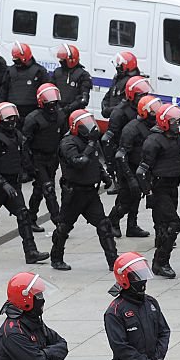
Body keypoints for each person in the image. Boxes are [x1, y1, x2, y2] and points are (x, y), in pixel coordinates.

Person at [0, 102, 50, 265]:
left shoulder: (17, 135)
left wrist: (35, 174)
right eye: (8, 118)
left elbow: (23, 157)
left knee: (23, 215)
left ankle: (31, 252)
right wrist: (3, 183)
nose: (12, 121)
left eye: (14, 117)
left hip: (13, 185)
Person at [136, 104, 180, 278]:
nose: (177, 124)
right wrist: (148, 192)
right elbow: (142, 171)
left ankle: (160, 263)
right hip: (159, 189)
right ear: (164, 122)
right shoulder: (153, 141)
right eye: (173, 121)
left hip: (173, 187)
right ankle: (160, 262)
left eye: (178, 120)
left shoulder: (178, 139)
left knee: (164, 227)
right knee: (174, 224)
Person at [51, 109, 117, 270]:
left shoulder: (90, 142)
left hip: (90, 192)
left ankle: (113, 261)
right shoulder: (68, 143)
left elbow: (94, 161)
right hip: (74, 193)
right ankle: (56, 258)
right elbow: (78, 162)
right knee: (64, 227)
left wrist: (104, 176)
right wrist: (91, 145)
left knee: (104, 225)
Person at [104, 252, 170, 360]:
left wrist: (157, 359)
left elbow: (164, 331)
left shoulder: (151, 303)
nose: (142, 280)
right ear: (125, 278)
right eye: (137, 276)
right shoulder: (115, 312)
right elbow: (120, 347)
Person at [0, 272, 68, 360]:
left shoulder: (33, 321)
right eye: (38, 296)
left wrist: (44, 353)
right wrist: (50, 355)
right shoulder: (13, 333)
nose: (42, 300)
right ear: (26, 299)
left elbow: (62, 344)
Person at [108, 95, 159, 239]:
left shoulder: (153, 127)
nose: (156, 114)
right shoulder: (131, 129)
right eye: (153, 111)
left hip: (142, 168)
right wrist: (130, 179)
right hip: (128, 169)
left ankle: (132, 226)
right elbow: (121, 155)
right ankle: (112, 221)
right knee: (125, 201)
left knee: (137, 198)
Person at [103, 76, 151, 220]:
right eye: (140, 95)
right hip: (123, 157)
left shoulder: (142, 109)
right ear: (131, 95)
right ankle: (113, 222)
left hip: (136, 156)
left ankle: (132, 225)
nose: (144, 97)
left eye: (145, 94)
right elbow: (107, 139)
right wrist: (111, 164)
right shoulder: (120, 112)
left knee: (137, 193)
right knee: (125, 195)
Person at [23, 84, 65, 233]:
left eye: (55, 102)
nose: (52, 106)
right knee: (48, 189)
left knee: (39, 189)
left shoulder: (60, 116)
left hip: (52, 158)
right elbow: (25, 143)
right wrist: (28, 165)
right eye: (49, 102)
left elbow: (63, 137)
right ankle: (58, 222)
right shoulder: (33, 119)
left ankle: (31, 218)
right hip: (38, 159)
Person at [0, 42, 48, 120]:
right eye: (14, 59)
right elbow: (3, 91)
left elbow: (46, 93)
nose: (15, 61)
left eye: (17, 59)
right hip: (12, 112)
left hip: (33, 112)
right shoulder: (10, 71)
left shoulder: (39, 71)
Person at [52, 43, 92, 120]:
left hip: (73, 114)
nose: (60, 61)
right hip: (57, 111)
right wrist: (56, 107)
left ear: (70, 60)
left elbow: (83, 99)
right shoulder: (57, 72)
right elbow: (51, 91)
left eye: (62, 59)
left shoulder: (83, 75)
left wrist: (67, 109)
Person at [102, 51, 140, 119]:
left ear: (126, 66)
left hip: (123, 119)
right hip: (114, 116)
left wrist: (109, 110)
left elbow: (126, 105)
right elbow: (108, 95)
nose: (117, 66)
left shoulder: (133, 83)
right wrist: (105, 107)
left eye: (119, 64)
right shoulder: (118, 78)